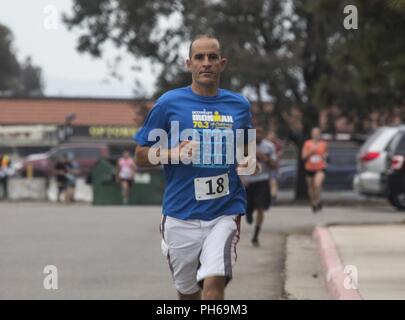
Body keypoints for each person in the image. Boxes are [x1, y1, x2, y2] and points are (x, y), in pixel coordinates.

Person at [134, 34, 256, 300]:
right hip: (180, 214)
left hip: (225, 212)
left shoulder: (239, 106)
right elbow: (140, 156)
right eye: (199, 57)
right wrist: (172, 153)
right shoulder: (168, 104)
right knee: (188, 294)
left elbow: (248, 150)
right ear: (189, 64)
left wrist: (249, 161)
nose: (206, 63)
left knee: (213, 284)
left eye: (213, 57)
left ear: (222, 63)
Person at [242, 127, 277, 247]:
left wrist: (265, 158)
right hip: (248, 181)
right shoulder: (245, 146)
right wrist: (241, 178)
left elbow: (275, 165)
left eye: (261, 133)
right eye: (255, 133)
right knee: (248, 207)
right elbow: (237, 163)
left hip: (262, 180)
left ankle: (256, 235)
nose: (258, 136)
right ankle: (248, 212)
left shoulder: (269, 147)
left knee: (261, 208)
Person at [301, 127, 328, 213]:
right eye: (314, 133)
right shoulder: (307, 143)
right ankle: (313, 202)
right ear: (311, 134)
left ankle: (318, 200)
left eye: (317, 133)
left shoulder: (324, 144)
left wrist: (325, 157)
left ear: (320, 134)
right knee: (311, 187)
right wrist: (311, 152)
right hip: (309, 167)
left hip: (320, 167)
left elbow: (326, 154)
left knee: (317, 184)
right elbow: (303, 157)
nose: (316, 135)